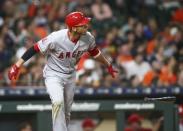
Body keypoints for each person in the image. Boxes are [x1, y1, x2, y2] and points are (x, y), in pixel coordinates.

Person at [8, 11, 117, 131]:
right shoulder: (56, 38)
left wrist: (108, 64)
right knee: (58, 102)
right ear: (74, 28)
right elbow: (35, 48)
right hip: (53, 74)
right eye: (83, 24)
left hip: (70, 75)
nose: (86, 25)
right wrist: (17, 65)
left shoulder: (88, 37)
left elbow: (95, 53)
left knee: (66, 112)